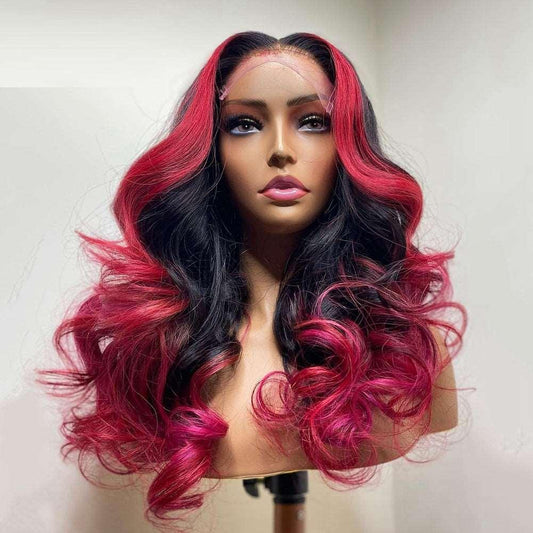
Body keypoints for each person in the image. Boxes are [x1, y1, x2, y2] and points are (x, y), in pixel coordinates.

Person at [36, 31, 467, 530]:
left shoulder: (409, 347)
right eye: (244, 124)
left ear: (348, 145)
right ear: (211, 149)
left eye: (312, 122)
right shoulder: (156, 347)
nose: (280, 150)